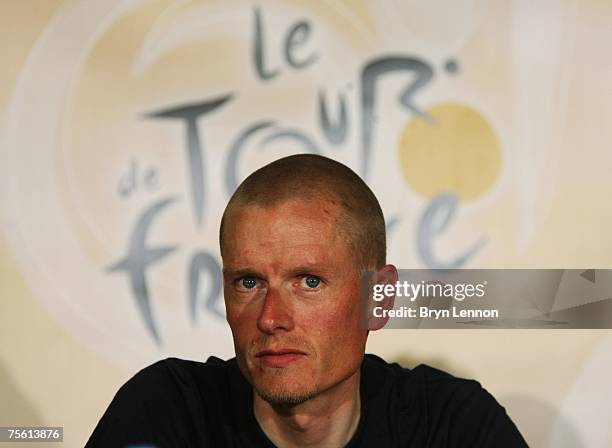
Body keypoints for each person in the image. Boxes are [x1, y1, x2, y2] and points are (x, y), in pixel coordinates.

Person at [87, 154, 527, 447]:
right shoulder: (169, 413)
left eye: (310, 282)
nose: (271, 319)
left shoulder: (451, 427)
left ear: (380, 296)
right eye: (248, 283)